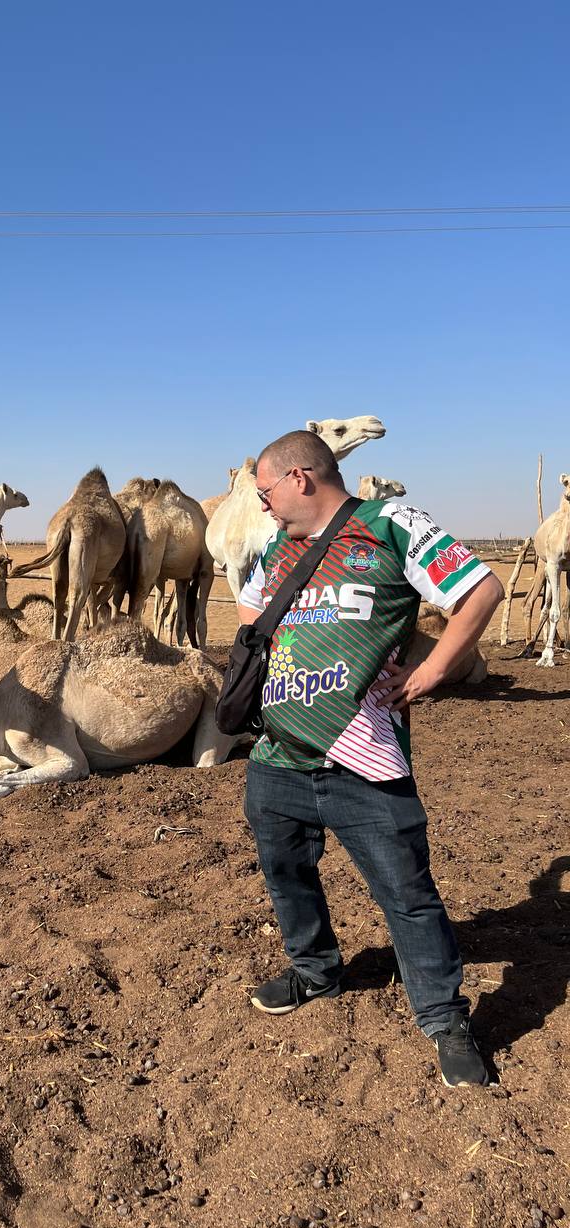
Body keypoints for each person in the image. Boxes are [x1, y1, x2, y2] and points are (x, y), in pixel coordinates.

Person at [237, 430, 504, 1087]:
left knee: (407, 894)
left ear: (300, 478)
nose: (262, 504)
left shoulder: (390, 525)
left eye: (265, 491)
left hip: (366, 758)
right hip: (277, 753)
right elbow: (249, 613)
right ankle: (314, 971)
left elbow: (480, 590)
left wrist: (435, 667)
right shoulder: (275, 546)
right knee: (286, 874)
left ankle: (444, 1020)